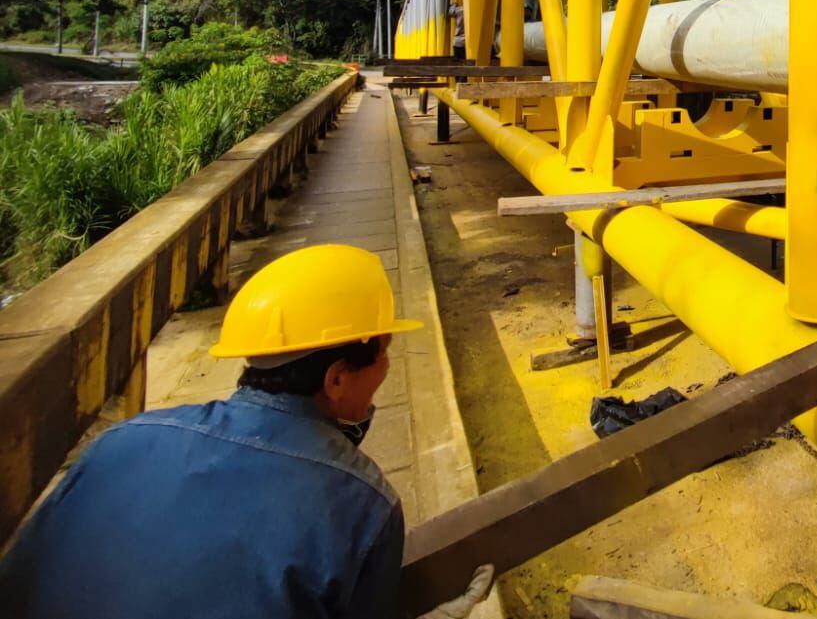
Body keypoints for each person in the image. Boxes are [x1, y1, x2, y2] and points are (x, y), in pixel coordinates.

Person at [0, 244, 494, 619]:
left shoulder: (121, 442)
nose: (386, 367)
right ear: (336, 378)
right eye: (383, 352)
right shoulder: (362, 505)